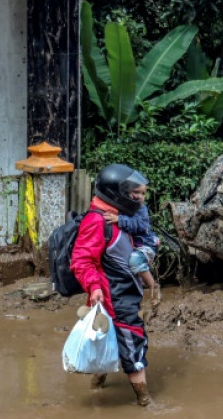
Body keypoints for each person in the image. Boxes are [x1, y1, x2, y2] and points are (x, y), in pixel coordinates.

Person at [71, 163, 153, 406]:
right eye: (133, 194)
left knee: (103, 343)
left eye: (140, 193)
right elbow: (82, 260)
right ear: (117, 194)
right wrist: (94, 287)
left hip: (119, 295)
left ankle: (97, 389)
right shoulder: (97, 221)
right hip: (114, 299)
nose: (138, 198)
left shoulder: (119, 216)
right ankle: (145, 401)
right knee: (133, 345)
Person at [100, 186, 160, 306]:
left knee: (135, 261)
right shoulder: (124, 207)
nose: (140, 196)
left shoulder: (141, 209)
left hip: (145, 246)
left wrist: (119, 219)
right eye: (136, 192)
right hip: (135, 247)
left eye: (143, 193)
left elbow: (138, 225)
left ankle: (153, 286)